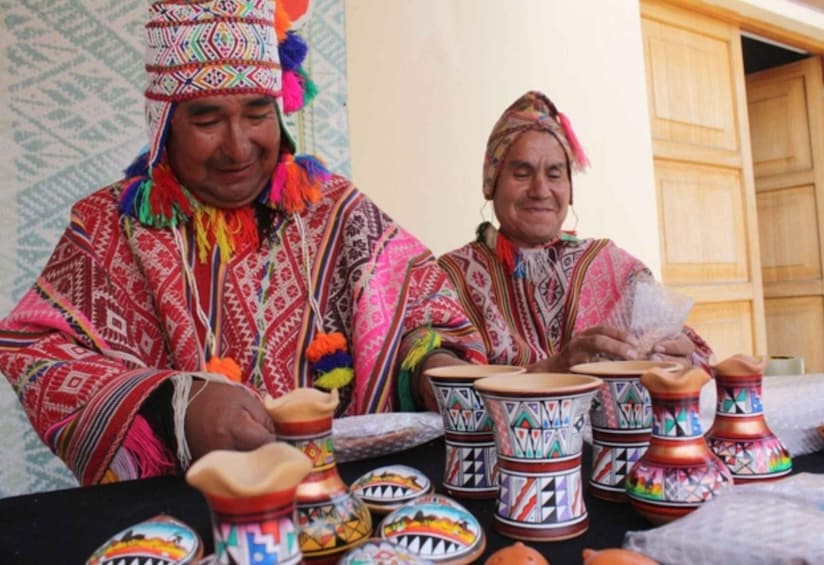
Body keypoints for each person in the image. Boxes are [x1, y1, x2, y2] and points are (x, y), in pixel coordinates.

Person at [0, 0, 485, 486]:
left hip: (346, 499)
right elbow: (34, 351)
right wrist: (177, 404)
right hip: (188, 513)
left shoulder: (339, 212)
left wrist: (432, 370)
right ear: (163, 127)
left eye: (257, 114)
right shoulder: (111, 228)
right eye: (207, 122)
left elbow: (423, 316)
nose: (237, 147)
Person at [438, 91, 711, 376]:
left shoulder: (616, 269)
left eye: (555, 175)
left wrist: (682, 361)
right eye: (522, 173)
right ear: (491, 183)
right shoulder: (450, 278)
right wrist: (550, 370)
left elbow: (699, 358)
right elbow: (437, 385)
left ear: (570, 190)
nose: (540, 190)